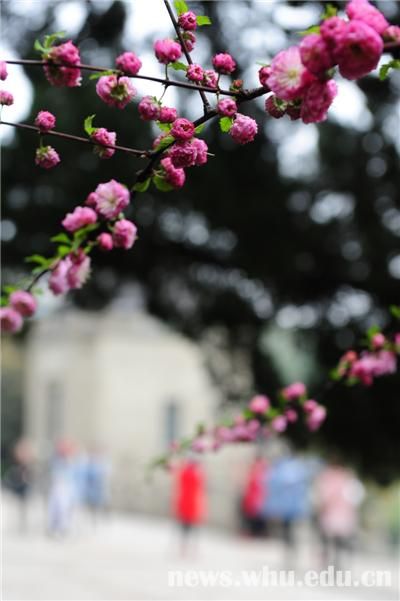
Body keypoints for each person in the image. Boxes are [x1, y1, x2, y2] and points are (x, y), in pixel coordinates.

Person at [314, 460, 364, 568]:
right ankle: (333, 563)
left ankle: (331, 563)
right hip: (338, 515)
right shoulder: (346, 478)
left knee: (331, 541)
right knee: (335, 541)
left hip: (334, 514)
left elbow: (321, 496)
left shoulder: (327, 478)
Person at [173, 458, 206, 556]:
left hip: (185, 502)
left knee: (184, 528)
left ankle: (184, 549)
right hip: (192, 504)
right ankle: (191, 549)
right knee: (192, 528)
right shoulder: (196, 474)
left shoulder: (184, 472)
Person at [240, 455, 268, 536]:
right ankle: (256, 532)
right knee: (255, 517)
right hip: (257, 498)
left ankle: (255, 532)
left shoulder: (256, 472)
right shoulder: (262, 471)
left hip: (255, 499)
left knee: (255, 517)